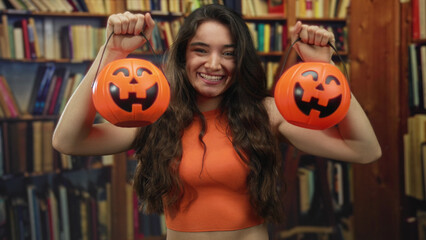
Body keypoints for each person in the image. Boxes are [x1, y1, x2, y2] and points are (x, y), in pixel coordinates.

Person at [52, 4, 381, 240]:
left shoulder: (267, 113)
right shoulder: (153, 114)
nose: (214, 64)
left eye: (228, 52)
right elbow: (69, 141)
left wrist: (325, 71)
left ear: (241, 60)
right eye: (201, 50)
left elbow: (364, 149)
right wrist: (111, 54)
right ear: (183, 56)